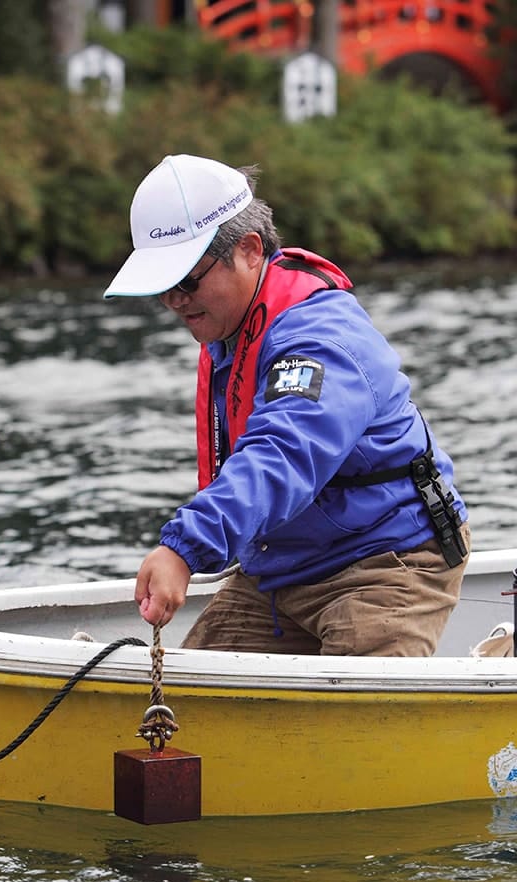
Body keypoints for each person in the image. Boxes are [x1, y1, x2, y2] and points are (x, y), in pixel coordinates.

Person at [103, 153, 470, 657]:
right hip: (282, 564)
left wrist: (183, 548)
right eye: (162, 287)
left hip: (389, 558)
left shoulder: (319, 339)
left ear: (251, 250)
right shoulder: (229, 328)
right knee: (185, 712)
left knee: (352, 726)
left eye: (187, 280)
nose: (174, 301)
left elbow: (281, 454)